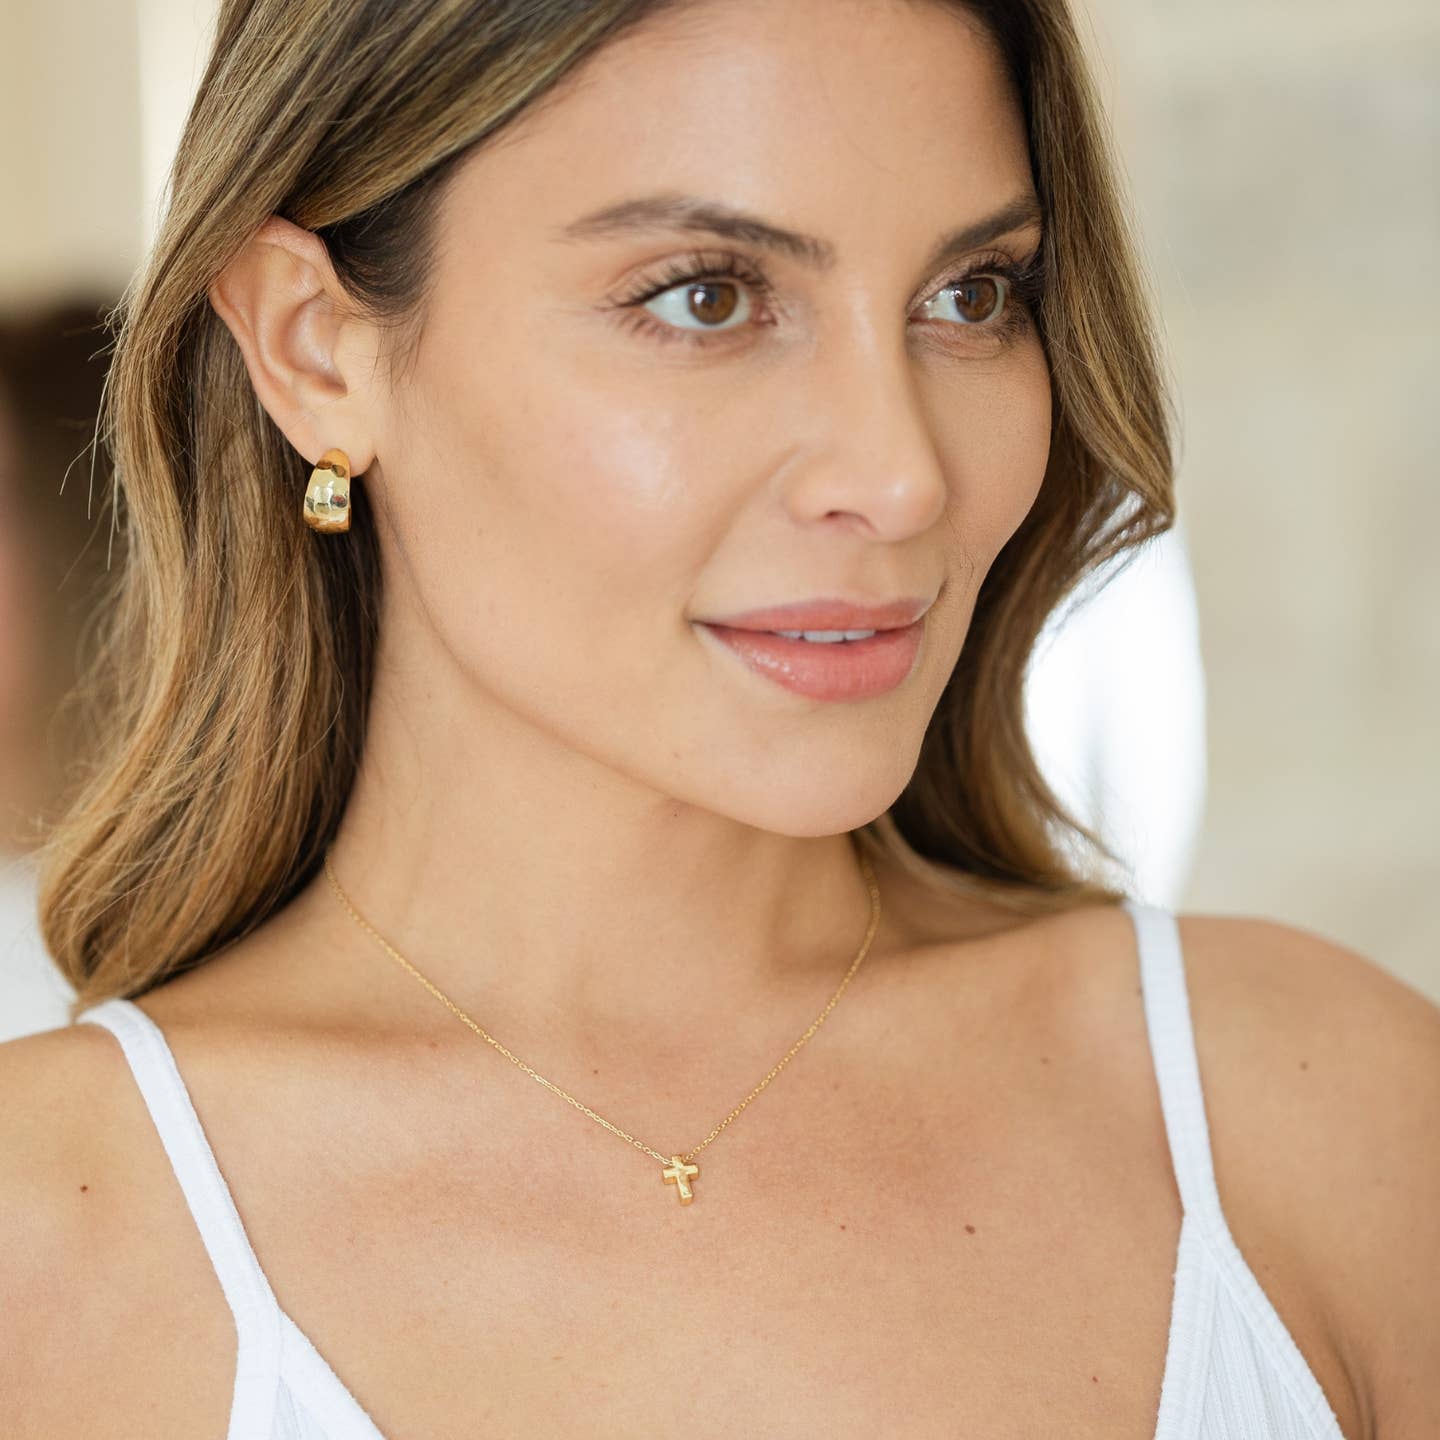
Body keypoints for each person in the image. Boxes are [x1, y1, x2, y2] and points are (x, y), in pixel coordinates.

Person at [1, 1, 1434, 1437]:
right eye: (707, 298)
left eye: (971, 296)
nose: (901, 478)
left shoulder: (1322, 1123)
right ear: (316, 349)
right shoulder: (50, 1253)